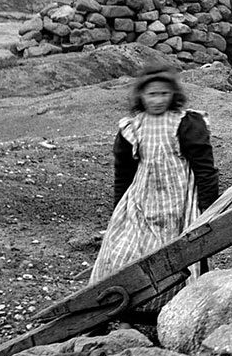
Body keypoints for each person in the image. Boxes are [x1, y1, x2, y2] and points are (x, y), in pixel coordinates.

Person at [90, 66, 220, 284]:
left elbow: (204, 166)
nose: (158, 100)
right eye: (152, 94)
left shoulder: (185, 123)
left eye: (164, 94)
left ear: (174, 95)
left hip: (181, 200)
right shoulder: (133, 127)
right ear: (141, 96)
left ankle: (181, 297)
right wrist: (118, 207)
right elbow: (123, 172)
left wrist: (208, 205)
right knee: (127, 245)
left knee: (183, 248)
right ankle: (132, 298)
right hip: (144, 199)